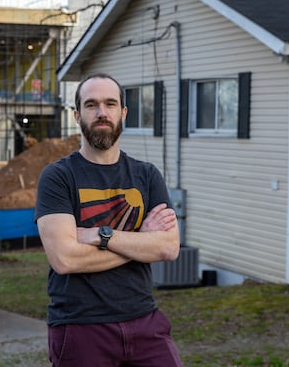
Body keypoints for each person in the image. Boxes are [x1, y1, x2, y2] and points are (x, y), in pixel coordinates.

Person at [35, 73, 183, 366]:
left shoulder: (147, 175)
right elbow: (65, 259)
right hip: (80, 326)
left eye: (110, 104)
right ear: (77, 115)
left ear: (123, 112)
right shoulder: (58, 177)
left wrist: (100, 236)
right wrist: (141, 240)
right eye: (91, 105)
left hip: (145, 321)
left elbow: (168, 248)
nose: (102, 113)